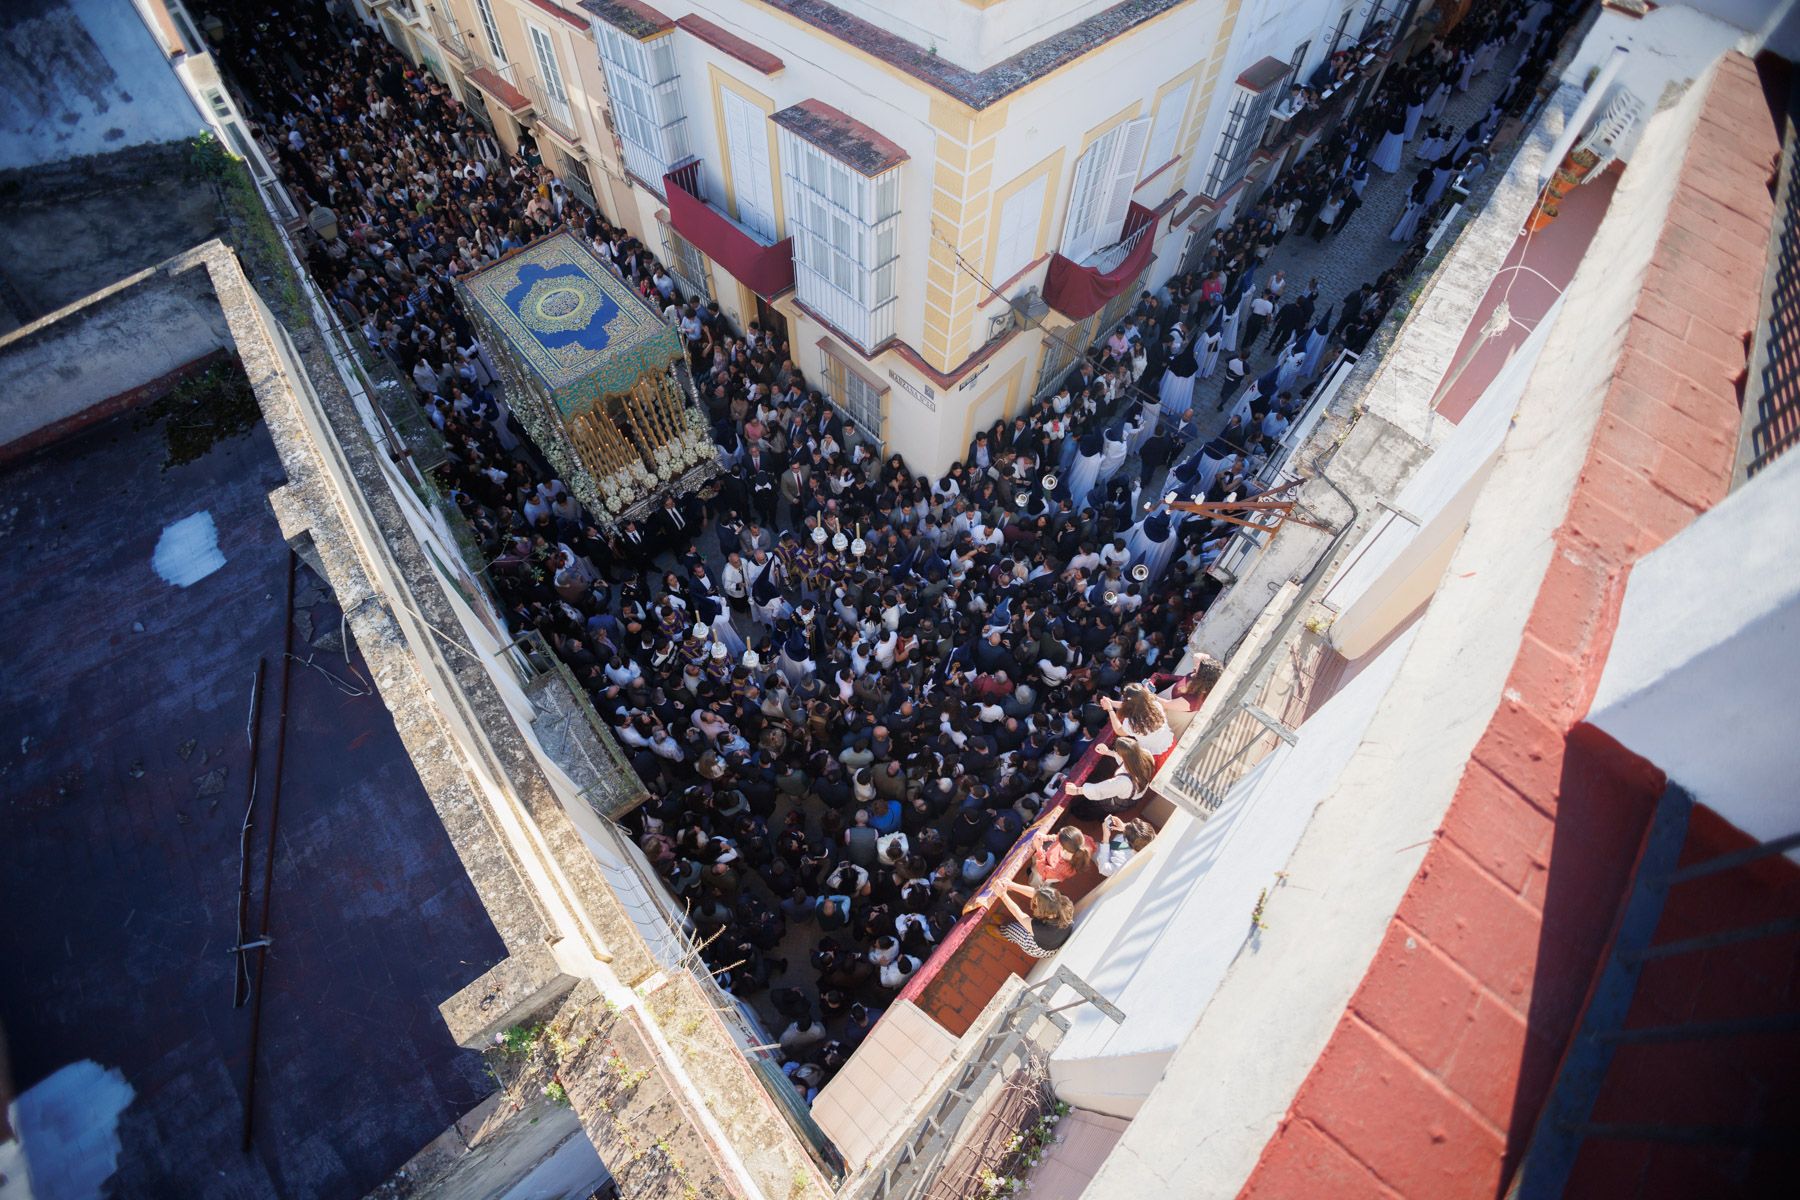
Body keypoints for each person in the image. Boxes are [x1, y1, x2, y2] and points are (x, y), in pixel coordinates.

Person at [1067, 735, 1158, 819]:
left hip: (1123, 800)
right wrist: (1108, 752)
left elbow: (1099, 790)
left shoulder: (1123, 782)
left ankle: (1082, 815)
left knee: (1097, 806)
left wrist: (1076, 790)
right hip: (1136, 794)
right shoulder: (1146, 754)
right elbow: (1127, 758)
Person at [997, 882, 1076, 959]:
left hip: (1039, 949)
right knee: (1025, 925)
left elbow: (1020, 915)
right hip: (1053, 939)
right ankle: (1008, 925)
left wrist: (1002, 895)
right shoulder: (1062, 903)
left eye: (1036, 903)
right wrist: (1011, 885)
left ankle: (1004, 932)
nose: (1034, 902)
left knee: (1011, 928)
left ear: (1044, 912)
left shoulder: (1042, 930)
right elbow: (1037, 894)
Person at [1101, 682, 1173, 756]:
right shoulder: (1156, 705)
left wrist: (1110, 709)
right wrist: (1111, 703)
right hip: (1167, 741)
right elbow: (1134, 703)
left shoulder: (1131, 723)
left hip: (1153, 752)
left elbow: (1119, 731)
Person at [1029, 824, 1095, 886]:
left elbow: (1042, 871)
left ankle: (1033, 882)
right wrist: (1047, 837)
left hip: (1047, 873)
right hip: (1051, 867)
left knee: (1037, 877)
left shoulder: (1057, 868)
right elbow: (1060, 837)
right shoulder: (1081, 841)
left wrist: (1039, 848)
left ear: (1063, 847)